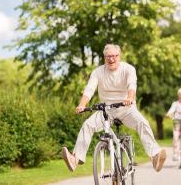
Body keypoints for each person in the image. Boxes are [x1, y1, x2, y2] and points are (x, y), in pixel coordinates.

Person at [61, 44, 166, 172]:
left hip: (126, 108)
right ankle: (75, 159)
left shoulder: (128, 69)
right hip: (106, 110)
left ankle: (155, 156)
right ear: (104, 57)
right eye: (108, 56)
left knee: (142, 123)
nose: (111, 59)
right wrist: (82, 104)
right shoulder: (98, 72)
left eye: (114, 56)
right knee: (87, 125)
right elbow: (89, 89)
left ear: (119, 56)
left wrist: (130, 97)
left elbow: (132, 85)